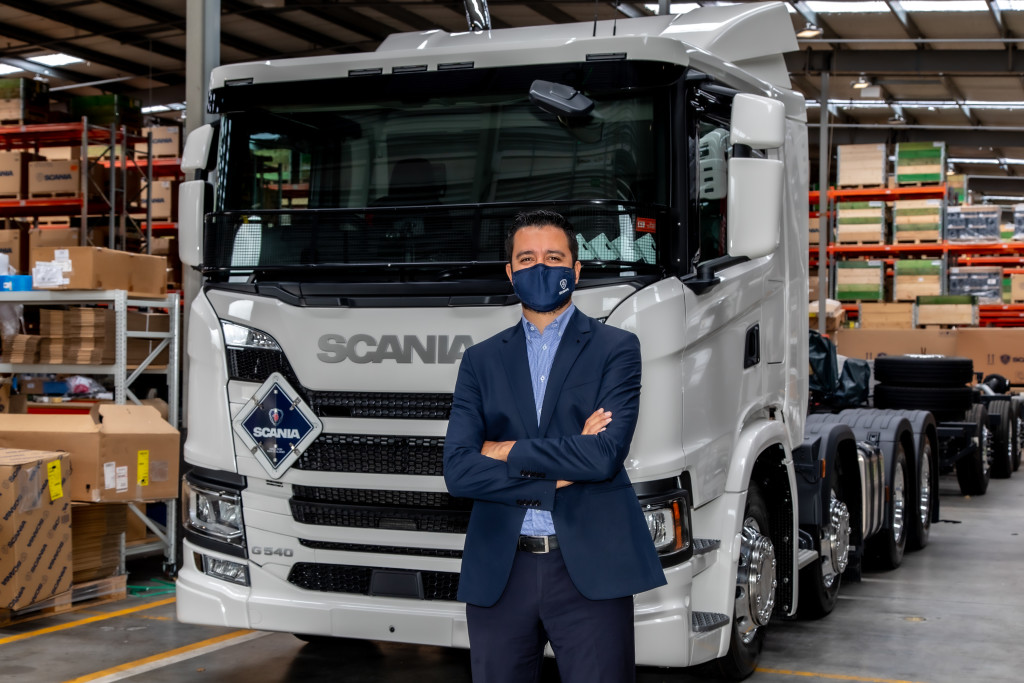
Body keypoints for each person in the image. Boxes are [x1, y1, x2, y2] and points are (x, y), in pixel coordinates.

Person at [443, 209, 667, 683]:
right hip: (501, 571)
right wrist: (559, 471)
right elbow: (459, 471)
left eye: (553, 257)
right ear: (510, 273)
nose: (540, 267)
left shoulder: (616, 348)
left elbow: (602, 456)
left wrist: (503, 450)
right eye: (527, 259)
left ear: (576, 269)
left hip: (591, 568)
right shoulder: (480, 361)